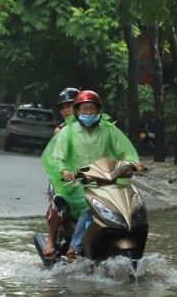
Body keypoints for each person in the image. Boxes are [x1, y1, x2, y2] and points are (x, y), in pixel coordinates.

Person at [41, 89, 142, 258]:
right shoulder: (68, 131)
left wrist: (133, 163)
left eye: (93, 109)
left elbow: (123, 152)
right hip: (77, 185)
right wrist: (65, 171)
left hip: (105, 183)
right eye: (85, 109)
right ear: (77, 111)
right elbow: (58, 158)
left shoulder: (108, 130)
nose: (89, 112)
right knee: (90, 207)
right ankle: (73, 246)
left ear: (99, 110)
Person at [41, 87, 80, 259]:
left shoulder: (94, 127)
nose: (66, 110)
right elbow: (56, 157)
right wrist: (64, 171)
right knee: (59, 200)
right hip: (66, 178)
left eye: (69, 106)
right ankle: (50, 241)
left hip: (91, 176)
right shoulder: (61, 130)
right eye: (62, 107)